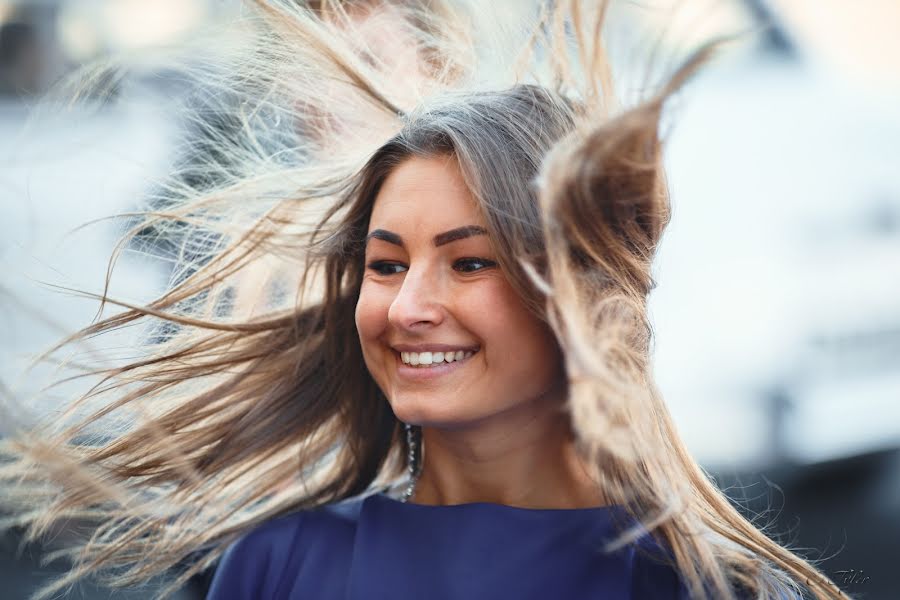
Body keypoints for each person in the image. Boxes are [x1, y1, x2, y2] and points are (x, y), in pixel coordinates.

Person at [0, 2, 851, 599]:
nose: (408, 306)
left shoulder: (712, 588)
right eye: (383, 265)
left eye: (469, 264)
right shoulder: (277, 563)